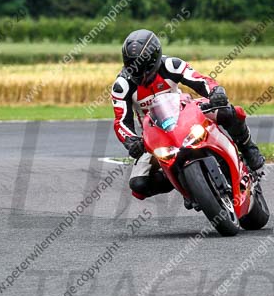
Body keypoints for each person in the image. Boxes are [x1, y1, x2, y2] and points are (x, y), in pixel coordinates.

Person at [111, 29, 264, 200]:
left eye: (144, 67)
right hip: (155, 134)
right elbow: (121, 121)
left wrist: (215, 91)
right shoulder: (121, 86)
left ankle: (248, 147)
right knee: (139, 185)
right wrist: (131, 141)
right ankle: (186, 184)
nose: (142, 74)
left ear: (155, 58)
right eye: (134, 68)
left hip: (186, 114)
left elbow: (200, 80)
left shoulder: (171, 65)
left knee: (229, 113)